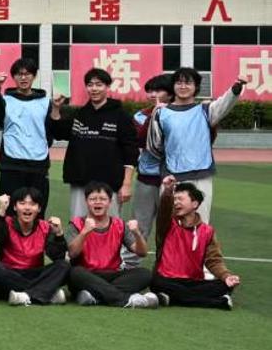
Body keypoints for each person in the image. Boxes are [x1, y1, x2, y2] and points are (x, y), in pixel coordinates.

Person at [147, 67, 245, 223]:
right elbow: (154, 145)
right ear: (173, 86)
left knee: (200, 223)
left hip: (201, 176)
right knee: (170, 225)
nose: (183, 86)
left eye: (188, 83)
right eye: (179, 82)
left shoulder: (205, 110)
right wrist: (168, 165)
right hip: (172, 177)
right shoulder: (161, 113)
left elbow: (223, 104)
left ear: (196, 87)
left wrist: (236, 88)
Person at [51, 68, 138, 220]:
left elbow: (131, 152)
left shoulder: (120, 116)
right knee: (79, 225)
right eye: (90, 85)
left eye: (99, 84)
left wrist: (126, 184)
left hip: (110, 184)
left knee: (110, 227)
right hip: (81, 182)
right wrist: (56, 108)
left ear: (107, 87)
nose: (94, 89)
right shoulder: (80, 114)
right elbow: (59, 133)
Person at [151, 177, 241, 309]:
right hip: (167, 279)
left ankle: (171, 298)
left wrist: (226, 276)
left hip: (193, 281)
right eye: (174, 199)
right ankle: (217, 302)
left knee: (225, 284)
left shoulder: (207, 231)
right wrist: (168, 191)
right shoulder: (167, 224)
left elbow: (214, 260)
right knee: (155, 281)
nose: (176, 203)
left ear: (195, 204)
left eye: (180, 199)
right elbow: (164, 210)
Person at [66, 182, 157, 308]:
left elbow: (142, 252)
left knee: (144, 274)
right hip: (87, 274)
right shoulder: (76, 224)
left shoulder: (119, 225)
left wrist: (137, 233)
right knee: (75, 272)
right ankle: (124, 299)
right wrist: (84, 232)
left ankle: (95, 296)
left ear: (109, 202)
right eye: (93, 199)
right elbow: (72, 253)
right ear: (86, 201)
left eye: (103, 199)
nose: (98, 202)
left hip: (113, 274)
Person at [0, 58, 53, 206]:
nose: (23, 77)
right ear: (13, 77)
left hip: (38, 164)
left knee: (37, 209)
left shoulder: (45, 102)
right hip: (12, 164)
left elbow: (49, 131)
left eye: (27, 74)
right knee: (9, 209)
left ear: (34, 76)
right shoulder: (5, 100)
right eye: (19, 74)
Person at [0, 189, 70, 306]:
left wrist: (59, 234)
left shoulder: (45, 227)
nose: (27, 208)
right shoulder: (6, 223)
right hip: (10, 273)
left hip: (36, 274)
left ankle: (24, 296)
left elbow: (57, 257)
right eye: (22, 203)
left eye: (32, 204)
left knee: (64, 265)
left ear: (39, 208)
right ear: (15, 207)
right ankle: (45, 293)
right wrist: (1, 212)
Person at [132, 74, 174, 239]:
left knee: (172, 226)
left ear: (170, 94)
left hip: (173, 178)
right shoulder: (140, 116)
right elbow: (140, 141)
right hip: (147, 178)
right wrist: (153, 116)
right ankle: (132, 255)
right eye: (149, 91)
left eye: (157, 91)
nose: (152, 94)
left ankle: (169, 256)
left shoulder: (180, 115)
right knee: (139, 225)